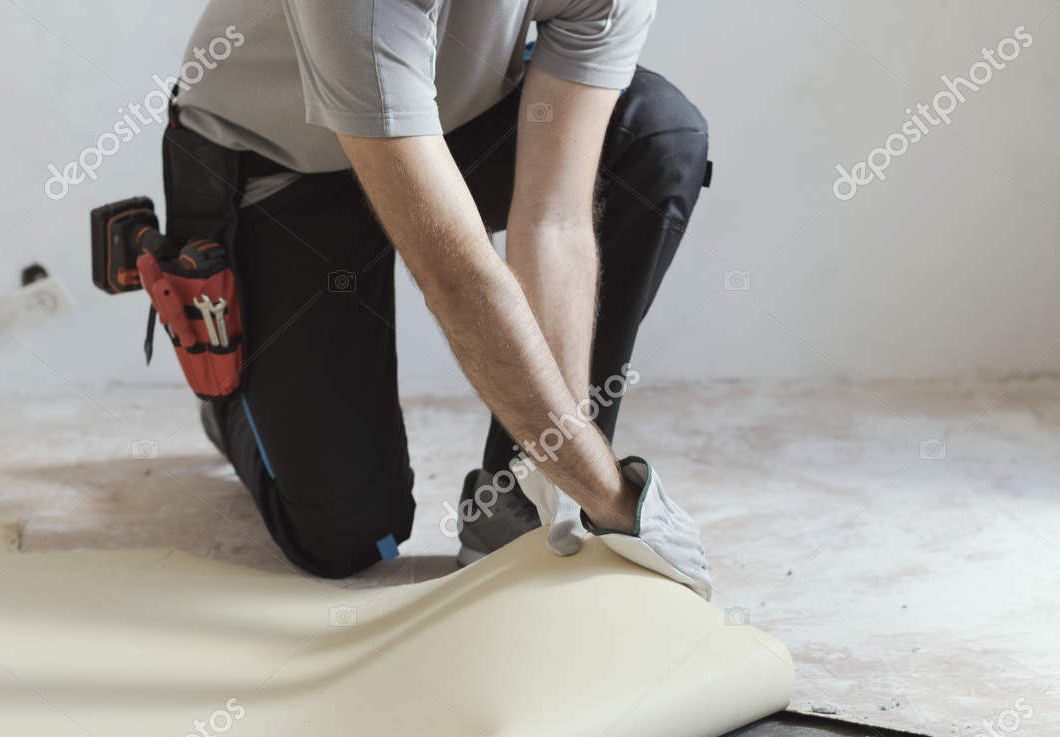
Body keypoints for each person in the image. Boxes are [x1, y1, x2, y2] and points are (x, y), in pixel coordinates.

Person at [168, 0, 713, 597]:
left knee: (655, 131)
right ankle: (234, 402)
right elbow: (456, 278)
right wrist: (615, 499)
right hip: (281, 164)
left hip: (443, 127)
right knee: (342, 536)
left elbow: (554, 221)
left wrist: (563, 466)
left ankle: (519, 498)